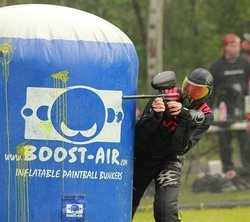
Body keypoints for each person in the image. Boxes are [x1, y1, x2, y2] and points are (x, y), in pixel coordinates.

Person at [132, 68, 214, 221]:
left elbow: (180, 148)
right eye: (188, 87)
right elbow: (139, 134)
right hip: (141, 157)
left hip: (169, 161)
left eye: (197, 91)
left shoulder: (206, 115)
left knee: (166, 211)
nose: (189, 93)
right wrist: (155, 116)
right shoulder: (165, 95)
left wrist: (185, 117)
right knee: (126, 204)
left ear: (207, 94)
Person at [208, 33, 250, 174]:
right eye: (233, 45)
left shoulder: (244, 62)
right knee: (225, 141)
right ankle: (228, 170)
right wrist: (206, 111)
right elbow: (210, 91)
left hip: (241, 107)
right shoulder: (217, 65)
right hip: (223, 108)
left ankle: (246, 171)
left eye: (238, 46)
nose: (236, 49)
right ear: (226, 47)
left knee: (245, 139)